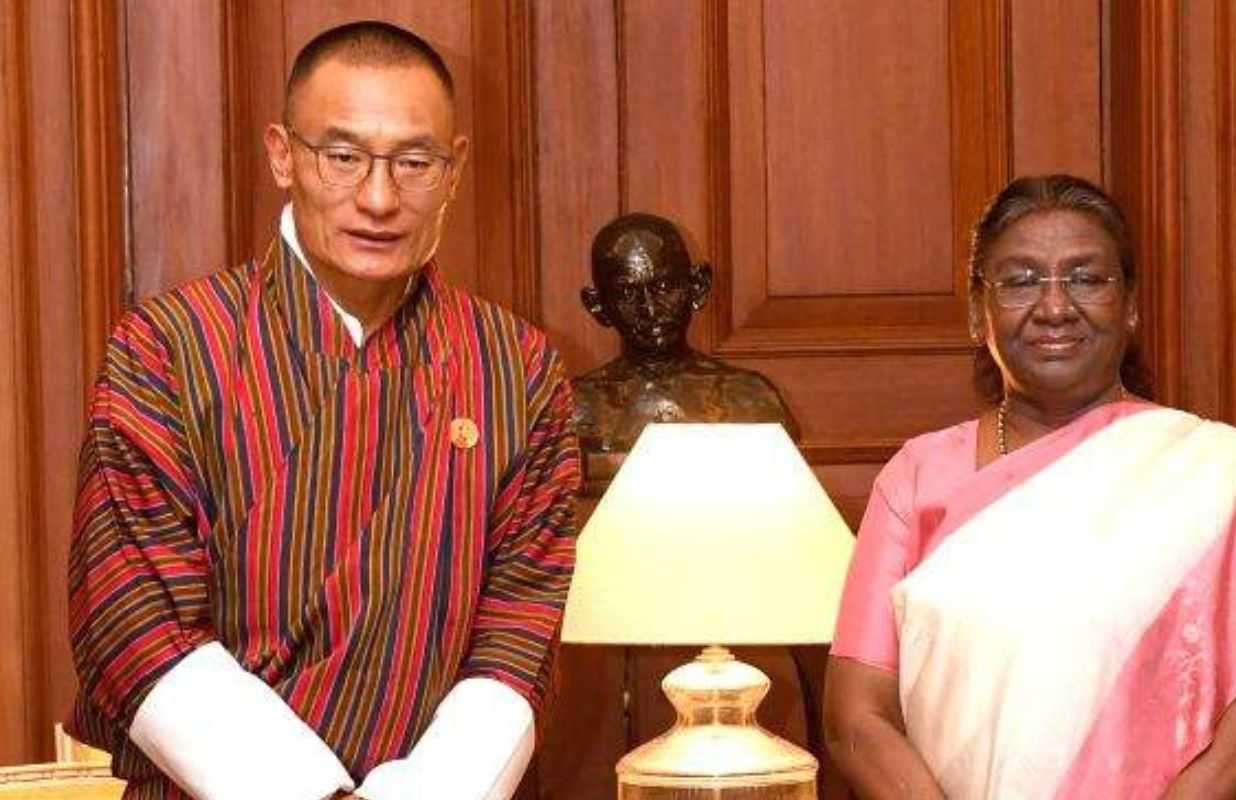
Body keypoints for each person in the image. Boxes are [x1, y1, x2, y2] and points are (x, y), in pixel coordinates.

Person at [66, 21, 578, 800]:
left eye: (413, 162)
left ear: (455, 169)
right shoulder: (170, 348)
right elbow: (136, 616)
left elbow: (520, 633)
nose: (378, 197)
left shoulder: (517, 370)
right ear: (284, 155)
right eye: (342, 158)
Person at [823, 174, 1236, 799]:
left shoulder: (1219, 481)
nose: (1055, 306)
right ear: (980, 313)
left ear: (1131, 305)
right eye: (1021, 281)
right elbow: (856, 718)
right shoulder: (917, 476)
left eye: (1087, 278)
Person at [574, 212, 797, 490]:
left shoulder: (750, 395)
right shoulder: (575, 407)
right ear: (597, 306)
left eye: (665, 287)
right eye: (627, 294)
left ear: (698, 287)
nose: (650, 310)